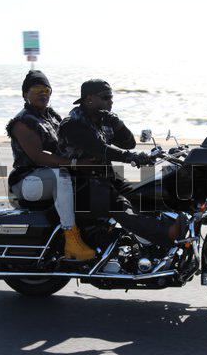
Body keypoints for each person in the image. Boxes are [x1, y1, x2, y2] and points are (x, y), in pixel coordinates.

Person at [57, 79, 186, 247]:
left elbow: (129, 143)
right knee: (118, 205)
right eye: (105, 97)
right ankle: (166, 232)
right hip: (79, 184)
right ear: (89, 99)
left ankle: (151, 245)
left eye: (111, 97)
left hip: (106, 178)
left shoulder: (103, 121)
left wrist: (117, 123)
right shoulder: (72, 125)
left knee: (145, 191)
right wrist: (131, 157)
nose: (110, 102)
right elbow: (100, 149)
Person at [6, 70, 96, 261]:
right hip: (27, 181)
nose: (43, 93)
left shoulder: (52, 117)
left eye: (47, 90)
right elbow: (39, 157)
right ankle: (71, 239)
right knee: (60, 175)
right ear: (25, 94)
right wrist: (75, 163)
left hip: (49, 176)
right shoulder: (22, 122)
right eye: (37, 89)